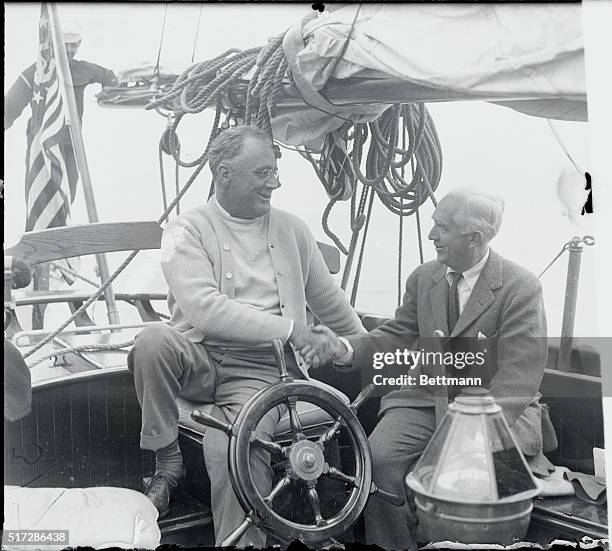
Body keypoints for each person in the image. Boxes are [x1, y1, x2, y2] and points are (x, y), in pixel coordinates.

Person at [127, 125, 365, 546]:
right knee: (152, 342)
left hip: (264, 369)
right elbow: (205, 312)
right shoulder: (185, 229)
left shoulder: (292, 230)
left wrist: (367, 352)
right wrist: (293, 330)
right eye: (262, 173)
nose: (275, 182)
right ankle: (167, 461)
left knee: (233, 444)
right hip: (198, 357)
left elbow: (331, 303)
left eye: (274, 171)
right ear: (223, 174)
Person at [303, 189, 552, 550]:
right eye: (433, 226)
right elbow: (396, 337)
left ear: (475, 238)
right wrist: (343, 347)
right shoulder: (424, 278)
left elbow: (520, 375)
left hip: (495, 413)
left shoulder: (521, 287)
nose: (431, 236)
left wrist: (470, 434)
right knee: (375, 461)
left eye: (443, 229)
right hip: (425, 400)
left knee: (471, 484)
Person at [4, 21, 117, 132]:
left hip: (72, 141)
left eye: (73, 45)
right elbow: (9, 107)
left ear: (79, 43)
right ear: (53, 43)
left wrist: (110, 94)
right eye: (64, 45)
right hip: (41, 141)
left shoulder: (83, 69)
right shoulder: (35, 72)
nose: (68, 50)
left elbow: (108, 77)